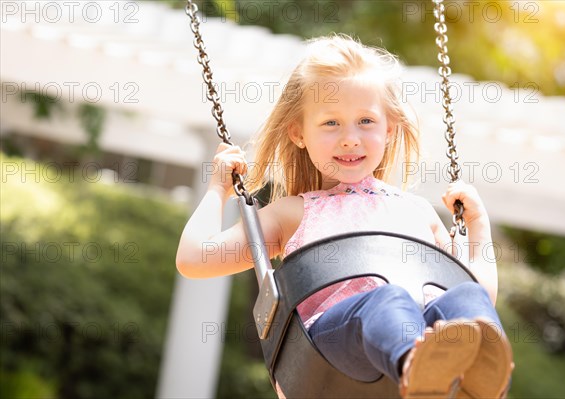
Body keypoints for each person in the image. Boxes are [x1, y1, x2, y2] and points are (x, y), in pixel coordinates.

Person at [176, 34, 513, 398]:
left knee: (466, 303)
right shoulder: (294, 212)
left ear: (390, 129)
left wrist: (478, 229)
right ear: (298, 132)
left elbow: (476, 291)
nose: (350, 138)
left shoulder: (418, 213)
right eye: (331, 123)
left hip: (422, 336)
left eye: (366, 121)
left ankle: (477, 376)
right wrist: (217, 191)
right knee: (389, 300)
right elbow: (195, 259)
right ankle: (418, 367)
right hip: (329, 353)